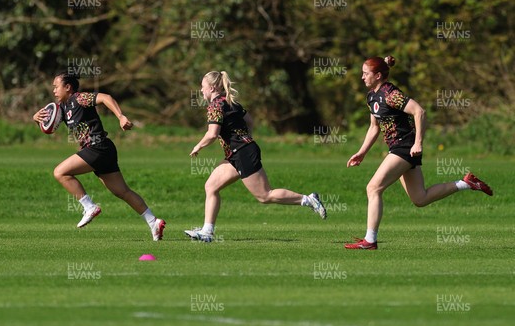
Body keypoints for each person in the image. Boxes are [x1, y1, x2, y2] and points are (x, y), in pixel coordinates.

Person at [345, 56, 493, 250]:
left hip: (404, 147)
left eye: (365, 73)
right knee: (420, 199)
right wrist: (362, 152)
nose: (362, 77)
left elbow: (420, 112)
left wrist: (418, 143)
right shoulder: (372, 96)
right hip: (397, 148)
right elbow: (374, 127)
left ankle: (370, 241)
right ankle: (465, 183)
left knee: (373, 188)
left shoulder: (391, 94)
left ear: (378, 75)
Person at [185, 71, 327, 242]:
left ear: (213, 87)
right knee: (211, 186)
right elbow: (250, 120)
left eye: (202, 87)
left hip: (242, 153)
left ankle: (308, 199)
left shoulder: (215, 105)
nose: (201, 91)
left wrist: (198, 146)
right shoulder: (231, 102)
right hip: (237, 153)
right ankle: (207, 232)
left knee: (265, 196)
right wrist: (246, 139)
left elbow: (212, 134)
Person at [33, 72, 166, 241]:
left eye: (56, 86)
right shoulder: (63, 108)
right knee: (122, 191)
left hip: (97, 147)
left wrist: (120, 116)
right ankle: (153, 222)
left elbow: (105, 97)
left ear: (68, 87)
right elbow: (49, 129)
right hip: (103, 150)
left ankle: (89, 207)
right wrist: (36, 119)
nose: (53, 91)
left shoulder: (79, 98)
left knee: (60, 172)